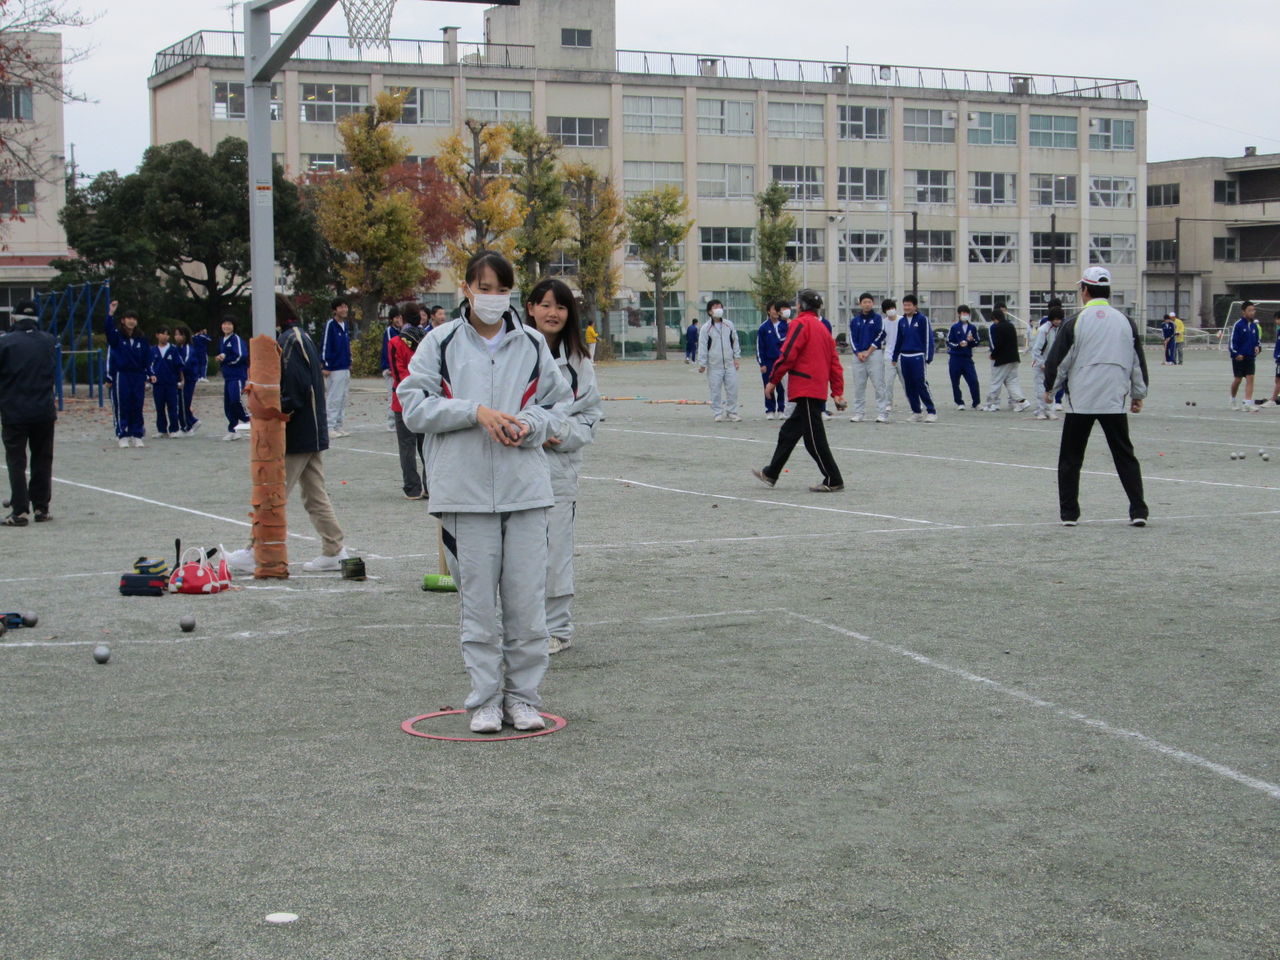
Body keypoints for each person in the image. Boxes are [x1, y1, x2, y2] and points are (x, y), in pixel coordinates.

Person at [398, 250, 572, 735]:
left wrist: (530, 424)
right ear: (466, 289)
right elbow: (413, 406)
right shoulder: (440, 341)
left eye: (501, 288)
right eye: (484, 287)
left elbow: (559, 406)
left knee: (526, 603)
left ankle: (522, 698)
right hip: (463, 493)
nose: (492, 297)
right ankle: (485, 700)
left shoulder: (532, 342)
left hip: (525, 491)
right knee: (477, 605)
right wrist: (475, 412)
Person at [225, 295, 349, 575]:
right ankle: (335, 549)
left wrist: (270, 411)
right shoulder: (296, 336)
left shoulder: (290, 340)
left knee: (272, 491)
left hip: (298, 431)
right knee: (314, 494)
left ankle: (254, 550)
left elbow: (295, 388)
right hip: (310, 429)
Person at [524, 277, 601, 656]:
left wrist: (561, 433)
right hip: (516, 467)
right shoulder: (514, 353)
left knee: (556, 555)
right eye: (545, 304)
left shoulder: (579, 362)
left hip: (558, 472)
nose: (552, 313)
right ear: (530, 308)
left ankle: (558, 628)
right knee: (519, 555)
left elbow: (590, 416)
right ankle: (523, 627)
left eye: (561, 306)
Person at [1043, 266, 1149, 527]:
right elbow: (1136, 361)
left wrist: (1050, 388)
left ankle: (1069, 514)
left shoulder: (1075, 322)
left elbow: (1059, 360)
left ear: (1085, 290)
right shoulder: (1125, 321)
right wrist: (1138, 393)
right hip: (1114, 397)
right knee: (1124, 455)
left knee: (1070, 458)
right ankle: (1138, 510)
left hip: (1082, 399)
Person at [751, 288, 846, 493]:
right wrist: (837, 392)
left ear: (801, 305)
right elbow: (834, 363)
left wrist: (772, 380)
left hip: (806, 388)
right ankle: (771, 473)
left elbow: (787, 355)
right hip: (815, 388)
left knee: (813, 438)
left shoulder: (800, 324)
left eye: (797, 303)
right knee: (788, 432)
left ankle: (833, 478)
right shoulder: (822, 328)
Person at [0, 300, 57, 526]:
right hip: (43, 409)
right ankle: (41, 507)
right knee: (42, 459)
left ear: (14, 317)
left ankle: (20, 509)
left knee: (16, 460)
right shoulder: (49, 341)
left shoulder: (5, 343)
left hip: (15, 409)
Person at [388, 302, 427, 500]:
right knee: (427, 446)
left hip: (403, 401)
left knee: (407, 446)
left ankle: (412, 488)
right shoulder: (428, 339)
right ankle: (430, 486)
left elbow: (398, 373)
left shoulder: (396, 342)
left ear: (402, 319)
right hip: (425, 398)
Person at [104, 301, 150, 447]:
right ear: (123, 320)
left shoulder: (141, 338)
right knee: (122, 404)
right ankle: (122, 434)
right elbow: (108, 331)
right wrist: (110, 313)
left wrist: (149, 374)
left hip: (137, 375)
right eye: (129, 318)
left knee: (137, 404)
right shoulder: (117, 336)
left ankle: (137, 434)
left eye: (134, 319)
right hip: (122, 375)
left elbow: (147, 358)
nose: (132, 321)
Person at [892, 293, 936, 422]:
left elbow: (928, 338)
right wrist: (895, 357)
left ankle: (931, 411)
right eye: (904, 305)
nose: (906, 307)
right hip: (905, 357)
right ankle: (916, 411)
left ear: (915, 306)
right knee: (909, 385)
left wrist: (928, 356)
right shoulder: (901, 321)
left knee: (921, 383)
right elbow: (899, 340)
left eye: (909, 305)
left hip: (918, 356)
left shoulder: (922, 319)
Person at [697, 299, 741, 422]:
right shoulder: (706, 328)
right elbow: (703, 346)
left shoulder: (729, 324)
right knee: (715, 390)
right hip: (714, 365)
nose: (718, 308)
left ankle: (732, 411)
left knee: (733, 388)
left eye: (720, 306)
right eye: (715, 307)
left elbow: (735, 341)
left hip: (729, 363)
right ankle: (717, 412)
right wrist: (702, 363)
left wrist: (736, 357)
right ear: (710, 311)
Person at [981, 303, 1030, 412]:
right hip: (1014, 358)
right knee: (1012, 381)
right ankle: (1022, 401)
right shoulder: (1010, 325)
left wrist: (993, 355)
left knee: (996, 381)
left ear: (995, 318)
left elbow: (998, 344)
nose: (994, 322)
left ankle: (989, 404)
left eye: (993, 320)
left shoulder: (998, 327)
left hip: (1003, 360)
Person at [847, 293, 887, 423]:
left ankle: (882, 413)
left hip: (874, 354)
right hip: (858, 357)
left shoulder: (877, 318)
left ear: (873, 303)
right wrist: (858, 352)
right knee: (859, 385)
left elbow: (881, 334)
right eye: (864, 302)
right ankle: (859, 413)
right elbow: (852, 338)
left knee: (878, 384)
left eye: (869, 302)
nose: (867, 304)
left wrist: (869, 351)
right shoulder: (855, 320)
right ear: (860, 304)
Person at [215, 315, 249, 440]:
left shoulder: (236, 339)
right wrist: (220, 358)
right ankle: (233, 429)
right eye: (224, 324)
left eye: (229, 324)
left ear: (234, 326)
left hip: (237, 375)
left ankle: (248, 419)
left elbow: (241, 355)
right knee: (228, 403)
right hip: (228, 376)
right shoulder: (222, 340)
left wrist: (226, 361)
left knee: (235, 399)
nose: (226, 326)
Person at [322, 297, 352, 436]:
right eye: (341, 307)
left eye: (345, 306)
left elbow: (347, 345)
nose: (344, 309)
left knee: (343, 397)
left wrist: (349, 361)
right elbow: (325, 344)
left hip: (345, 366)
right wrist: (326, 364)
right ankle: (329, 426)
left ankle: (339, 425)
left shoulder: (345, 325)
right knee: (334, 397)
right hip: (334, 368)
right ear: (335, 310)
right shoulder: (331, 325)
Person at [755, 301, 789, 420]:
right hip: (769, 362)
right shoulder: (763, 327)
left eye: (778, 310)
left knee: (782, 387)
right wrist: (762, 363)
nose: (776, 312)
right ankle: (769, 410)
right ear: (769, 311)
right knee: (768, 386)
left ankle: (781, 409)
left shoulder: (785, 325)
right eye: (774, 309)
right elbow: (760, 347)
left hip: (782, 361)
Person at [148, 326, 183, 439]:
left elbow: (179, 366)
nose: (165, 336)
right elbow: (148, 367)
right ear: (157, 335)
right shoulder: (152, 350)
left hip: (171, 383)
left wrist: (182, 380)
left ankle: (174, 429)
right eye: (162, 333)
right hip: (158, 384)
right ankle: (162, 429)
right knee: (159, 408)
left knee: (172, 407)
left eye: (167, 334)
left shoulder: (173, 349)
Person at [1031, 305, 1064, 420]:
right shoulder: (1043, 330)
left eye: (1059, 319)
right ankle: (1041, 411)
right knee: (1041, 388)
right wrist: (1041, 363)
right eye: (1055, 319)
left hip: (1052, 364)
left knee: (1051, 388)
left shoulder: (1059, 329)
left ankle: (1050, 410)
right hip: (1041, 364)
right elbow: (1036, 349)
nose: (1057, 321)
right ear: (1051, 318)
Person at [1228, 301, 1262, 412]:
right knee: (1237, 380)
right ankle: (1232, 399)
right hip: (1239, 357)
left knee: (1250, 379)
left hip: (1250, 357)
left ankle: (1247, 403)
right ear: (1244, 312)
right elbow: (1232, 342)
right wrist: (1236, 354)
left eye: (1253, 310)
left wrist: (1258, 347)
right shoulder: (1238, 325)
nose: (1252, 312)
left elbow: (1257, 341)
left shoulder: (1254, 326)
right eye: (1250, 310)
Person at [947, 304, 981, 411]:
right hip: (955, 358)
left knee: (973, 381)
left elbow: (977, 341)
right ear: (959, 314)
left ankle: (976, 402)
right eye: (962, 313)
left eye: (966, 313)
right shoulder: (954, 327)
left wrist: (971, 341)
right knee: (955, 382)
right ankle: (959, 402)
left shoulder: (972, 328)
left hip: (967, 358)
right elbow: (949, 341)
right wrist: (958, 344)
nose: (964, 315)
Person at [172, 326, 202, 435]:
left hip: (188, 379)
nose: (177, 337)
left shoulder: (188, 348)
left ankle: (186, 427)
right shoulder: (177, 348)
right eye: (176, 334)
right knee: (181, 402)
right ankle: (193, 421)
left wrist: (176, 370)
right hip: (180, 378)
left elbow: (185, 363)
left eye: (180, 334)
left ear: (186, 336)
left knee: (184, 402)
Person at [381, 304, 403, 432]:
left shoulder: (401, 331)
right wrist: (389, 366)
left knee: (399, 394)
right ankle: (391, 422)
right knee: (392, 394)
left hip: (396, 368)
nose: (398, 320)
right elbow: (390, 349)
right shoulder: (390, 331)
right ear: (391, 319)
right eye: (396, 317)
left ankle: (397, 421)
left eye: (400, 317)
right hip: (390, 368)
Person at [881, 298, 901, 412]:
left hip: (902, 355)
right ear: (884, 311)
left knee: (907, 382)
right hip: (888, 356)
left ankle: (914, 401)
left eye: (892, 308)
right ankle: (888, 403)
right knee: (888, 382)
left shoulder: (902, 320)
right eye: (888, 309)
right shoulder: (883, 323)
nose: (891, 310)